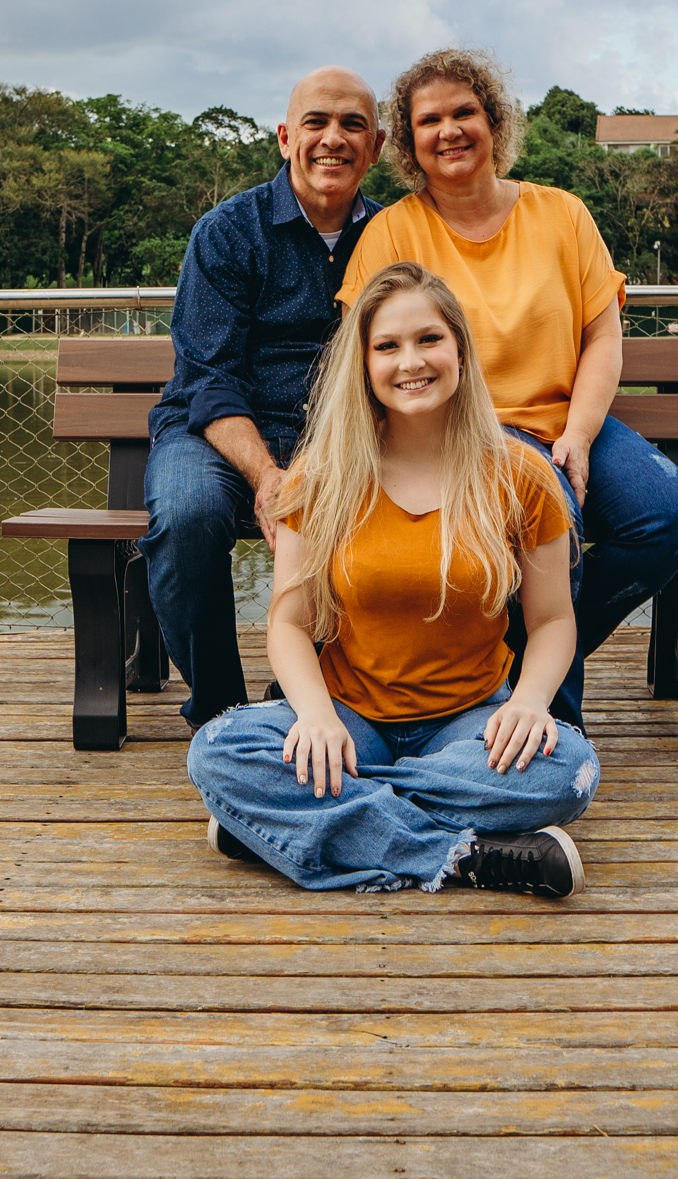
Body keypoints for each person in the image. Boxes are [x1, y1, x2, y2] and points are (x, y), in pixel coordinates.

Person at [187, 261, 602, 898]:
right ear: (364, 363)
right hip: (350, 718)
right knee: (217, 749)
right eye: (387, 346)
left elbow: (551, 621)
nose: (411, 361)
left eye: (429, 339)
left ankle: (292, 825)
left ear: (460, 349)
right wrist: (316, 717)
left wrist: (527, 704)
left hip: (469, 723)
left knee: (571, 769)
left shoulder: (522, 475)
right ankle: (467, 858)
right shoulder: (318, 478)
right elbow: (289, 625)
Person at [338, 47, 678, 730]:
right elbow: (364, 354)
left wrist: (580, 435)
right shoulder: (391, 230)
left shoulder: (561, 214)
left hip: (565, 421)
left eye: (463, 112)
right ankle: (551, 728)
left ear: (494, 120)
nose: (449, 130)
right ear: (410, 141)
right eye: (429, 120)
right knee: (556, 523)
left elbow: (602, 337)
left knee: (671, 516)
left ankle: (512, 664)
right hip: (459, 432)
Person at [140, 66, 386, 731]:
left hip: (341, 437)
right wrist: (267, 474)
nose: (332, 139)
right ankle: (221, 712)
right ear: (285, 137)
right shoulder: (227, 232)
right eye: (316, 122)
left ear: (378, 147)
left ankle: (307, 693)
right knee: (187, 514)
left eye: (352, 125)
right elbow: (208, 377)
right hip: (217, 432)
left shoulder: (396, 238)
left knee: (385, 511)